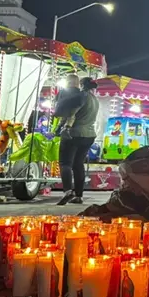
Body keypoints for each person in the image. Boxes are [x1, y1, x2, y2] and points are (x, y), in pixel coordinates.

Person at [55, 77, 99, 205]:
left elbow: (71, 114)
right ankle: (79, 196)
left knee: (65, 163)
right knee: (78, 164)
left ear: (81, 85)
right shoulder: (95, 100)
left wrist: (64, 128)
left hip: (74, 133)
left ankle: (68, 191)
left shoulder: (81, 97)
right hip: (89, 135)